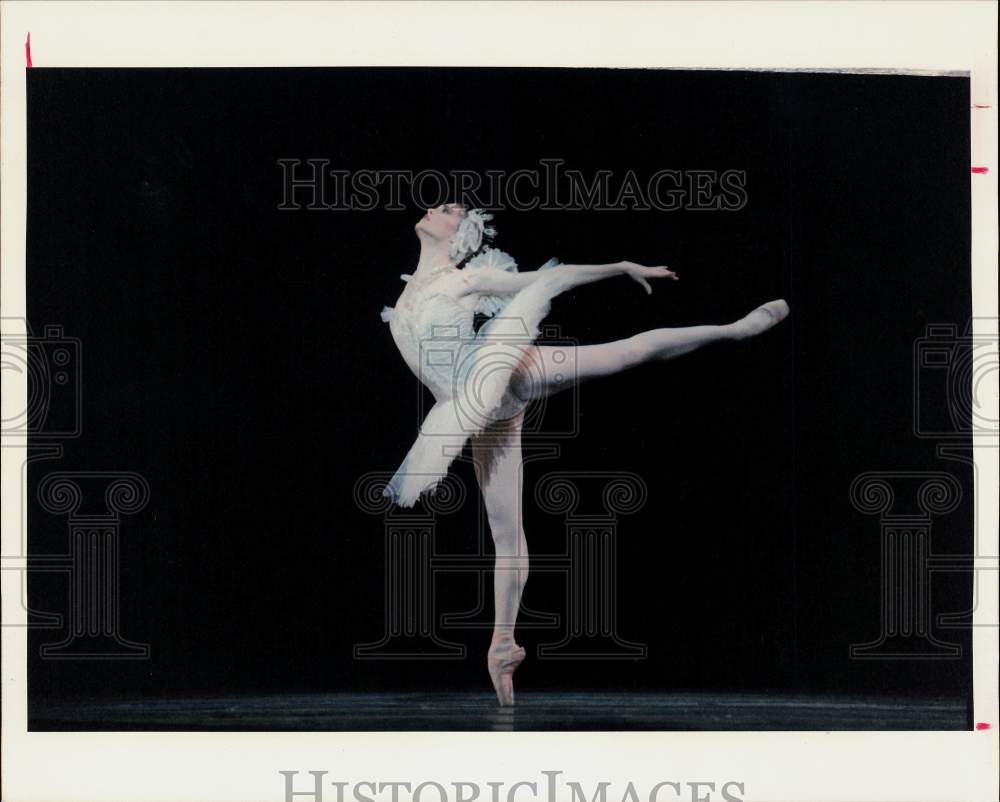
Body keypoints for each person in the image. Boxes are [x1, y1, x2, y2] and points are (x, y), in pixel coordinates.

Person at [380, 203, 789, 705]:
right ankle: (502, 646)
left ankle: (734, 330)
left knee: (623, 353)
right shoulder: (407, 293)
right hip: (473, 407)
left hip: (504, 371)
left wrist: (621, 267)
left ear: (458, 234)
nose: (433, 209)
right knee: (506, 536)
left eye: (446, 209)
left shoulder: (469, 279)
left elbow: (554, 278)